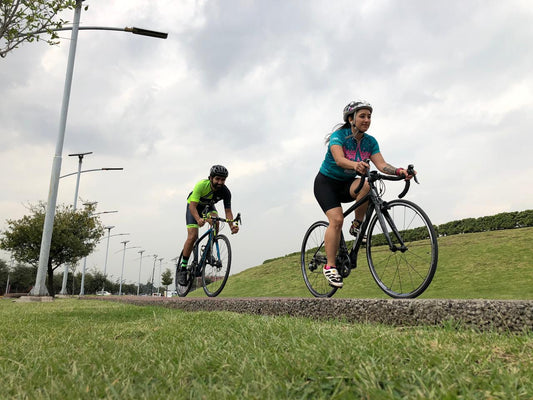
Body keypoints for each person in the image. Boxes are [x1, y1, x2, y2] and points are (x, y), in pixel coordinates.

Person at [314, 101, 415, 288]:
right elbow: (339, 159)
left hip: (348, 184)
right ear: (351, 119)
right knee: (336, 221)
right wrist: (355, 165)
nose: (367, 120)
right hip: (326, 184)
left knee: (367, 186)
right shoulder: (339, 137)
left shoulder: (370, 141)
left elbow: (382, 165)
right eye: (362, 116)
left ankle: (357, 225)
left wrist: (399, 171)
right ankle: (330, 266)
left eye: (369, 116)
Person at [177, 165, 239, 285]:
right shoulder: (201, 185)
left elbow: (228, 212)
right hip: (194, 207)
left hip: (208, 206)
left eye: (223, 180)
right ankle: (183, 268)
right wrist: (198, 219)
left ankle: (208, 252)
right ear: (210, 178)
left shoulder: (226, 192)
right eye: (217, 179)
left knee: (216, 222)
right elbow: (192, 206)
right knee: (193, 236)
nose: (220, 182)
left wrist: (232, 226)